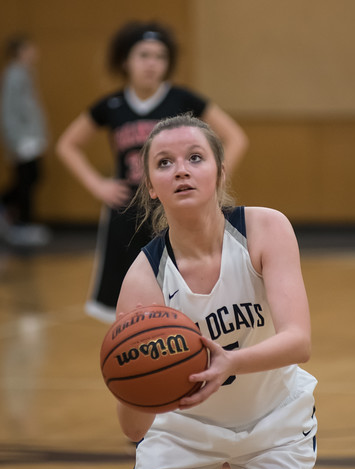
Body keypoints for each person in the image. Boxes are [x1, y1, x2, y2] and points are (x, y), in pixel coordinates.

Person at [114, 114, 317, 469]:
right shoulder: (143, 280)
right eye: (164, 163)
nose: (181, 169)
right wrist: (137, 386)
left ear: (220, 172)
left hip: (276, 425)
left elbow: (299, 340)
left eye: (194, 158)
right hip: (182, 434)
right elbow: (131, 428)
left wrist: (228, 362)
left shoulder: (265, 229)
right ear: (152, 189)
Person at [56, 20, 248, 323]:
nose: (152, 63)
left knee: (182, 296)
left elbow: (236, 137)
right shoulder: (113, 105)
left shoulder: (183, 100)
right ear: (126, 61)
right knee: (124, 311)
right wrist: (97, 185)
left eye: (160, 57)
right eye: (144, 55)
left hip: (173, 209)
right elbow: (67, 144)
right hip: (127, 211)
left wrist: (214, 181)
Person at [0, 34, 50, 247]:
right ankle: (21, 223)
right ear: (20, 51)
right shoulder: (14, 75)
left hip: (31, 139)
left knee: (32, 178)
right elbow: (9, 111)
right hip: (23, 141)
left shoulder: (25, 73)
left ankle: (19, 221)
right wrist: (16, 140)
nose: (34, 52)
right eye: (30, 48)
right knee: (25, 181)